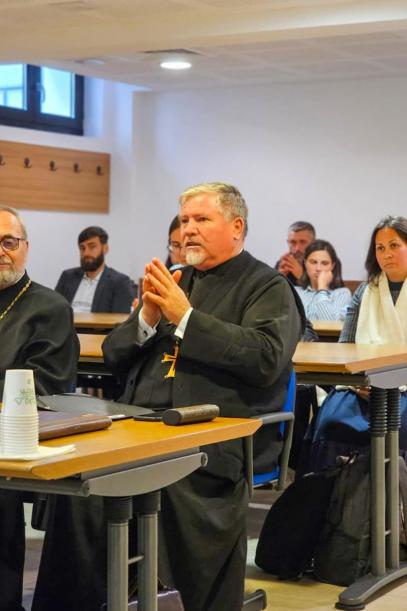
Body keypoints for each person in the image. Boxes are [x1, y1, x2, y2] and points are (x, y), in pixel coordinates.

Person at [33, 182, 305, 611]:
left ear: (236, 227)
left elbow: (266, 358)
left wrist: (186, 317)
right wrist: (146, 317)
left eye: (201, 219)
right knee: (80, 486)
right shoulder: (177, 279)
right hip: (140, 427)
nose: (188, 229)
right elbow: (112, 356)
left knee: (155, 488)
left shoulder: (267, 286)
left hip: (211, 438)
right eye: (184, 220)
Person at [0, 205, 79, 611]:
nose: (1, 251)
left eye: (8, 242)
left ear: (25, 248)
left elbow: (44, 388)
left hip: (13, 439)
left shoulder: (49, 307)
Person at [307, 215, 407, 472]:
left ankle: (395, 493)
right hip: (362, 385)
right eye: (380, 248)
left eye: (394, 245)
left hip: (403, 386)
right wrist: (358, 381)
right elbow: (345, 347)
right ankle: (335, 493)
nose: (386, 254)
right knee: (331, 420)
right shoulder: (366, 290)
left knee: (400, 424)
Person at [55, 226, 134, 313]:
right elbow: (54, 309)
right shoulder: (67, 277)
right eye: (82, 248)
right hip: (67, 322)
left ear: (105, 249)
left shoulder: (120, 282)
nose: (86, 253)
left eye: (92, 247)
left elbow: (120, 319)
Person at [295, 239, 352, 320]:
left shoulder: (342, 294)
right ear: (305, 263)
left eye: (324, 263)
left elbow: (331, 325)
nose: (318, 268)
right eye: (313, 262)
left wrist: (322, 288)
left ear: (332, 266)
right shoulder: (295, 292)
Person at [275, 220, 315, 285]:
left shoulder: (323, 264)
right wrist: (279, 278)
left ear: (313, 243)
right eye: (293, 242)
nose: (297, 249)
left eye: (303, 242)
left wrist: (302, 277)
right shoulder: (283, 263)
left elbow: (324, 290)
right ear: (288, 242)